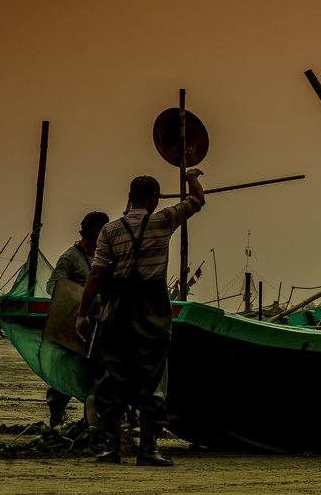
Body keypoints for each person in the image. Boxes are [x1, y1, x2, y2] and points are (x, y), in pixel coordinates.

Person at [75, 169, 205, 466]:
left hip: (116, 311)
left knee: (114, 376)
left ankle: (112, 447)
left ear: (130, 198)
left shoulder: (110, 230)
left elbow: (97, 275)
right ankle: (148, 448)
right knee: (153, 377)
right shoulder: (164, 220)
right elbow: (198, 199)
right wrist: (190, 178)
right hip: (152, 309)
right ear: (154, 199)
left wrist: (82, 313)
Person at [44, 211, 110, 428]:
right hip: (73, 326)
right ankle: (56, 415)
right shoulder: (70, 258)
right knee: (66, 370)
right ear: (96, 232)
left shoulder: (100, 259)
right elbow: (53, 286)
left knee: (95, 371)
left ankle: (89, 419)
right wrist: (81, 296)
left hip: (96, 326)